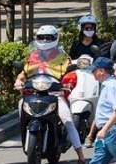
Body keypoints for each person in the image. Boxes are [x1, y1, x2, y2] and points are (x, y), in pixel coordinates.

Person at [14, 25, 87, 164]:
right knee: (20, 105)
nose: (45, 40)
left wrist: (68, 84)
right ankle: (26, 131)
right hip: (34, 93)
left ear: (55, 39)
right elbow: (24, 73)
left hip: (55, 94)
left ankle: (81, 156)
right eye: (42, 37)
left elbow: (71, 74)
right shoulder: (33, 55)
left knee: (68, 121)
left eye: (49, 38)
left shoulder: (63, 57)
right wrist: (19, 81)